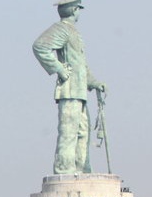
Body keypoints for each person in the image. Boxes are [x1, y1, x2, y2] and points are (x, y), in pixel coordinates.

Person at [33, 0, 106, 175]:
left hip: (80, 92)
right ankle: (65, 170)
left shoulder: (73, 31)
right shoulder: (62, 29)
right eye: (79, 9)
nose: (79, 12)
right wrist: (59, 68)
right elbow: (40, 46)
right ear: (74, 10)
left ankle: (81, 170)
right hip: (69, 90)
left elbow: (80, 66)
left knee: (83, 132)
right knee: (69, 132)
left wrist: (95, 82)